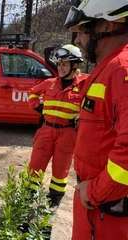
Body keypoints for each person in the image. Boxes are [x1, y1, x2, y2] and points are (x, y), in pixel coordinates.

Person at [64, 0, 128, 239]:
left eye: (81, 31)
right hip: (95, 205)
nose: (78, 41)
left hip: (108, 210)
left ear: (108, 25)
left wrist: (96, 191)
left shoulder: (121, 70)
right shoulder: (109, 68)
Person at [28, 44, 87, 208]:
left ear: (74, 66)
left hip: (68, 134)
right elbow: (32, 92)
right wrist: (38, 107)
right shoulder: (49, 83)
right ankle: (27, 203)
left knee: (60, 172)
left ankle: (51, 206)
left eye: (65, 64)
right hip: (46, 131)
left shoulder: (84, 84)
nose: (60, 68)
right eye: (59, 64)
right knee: (35, 167)